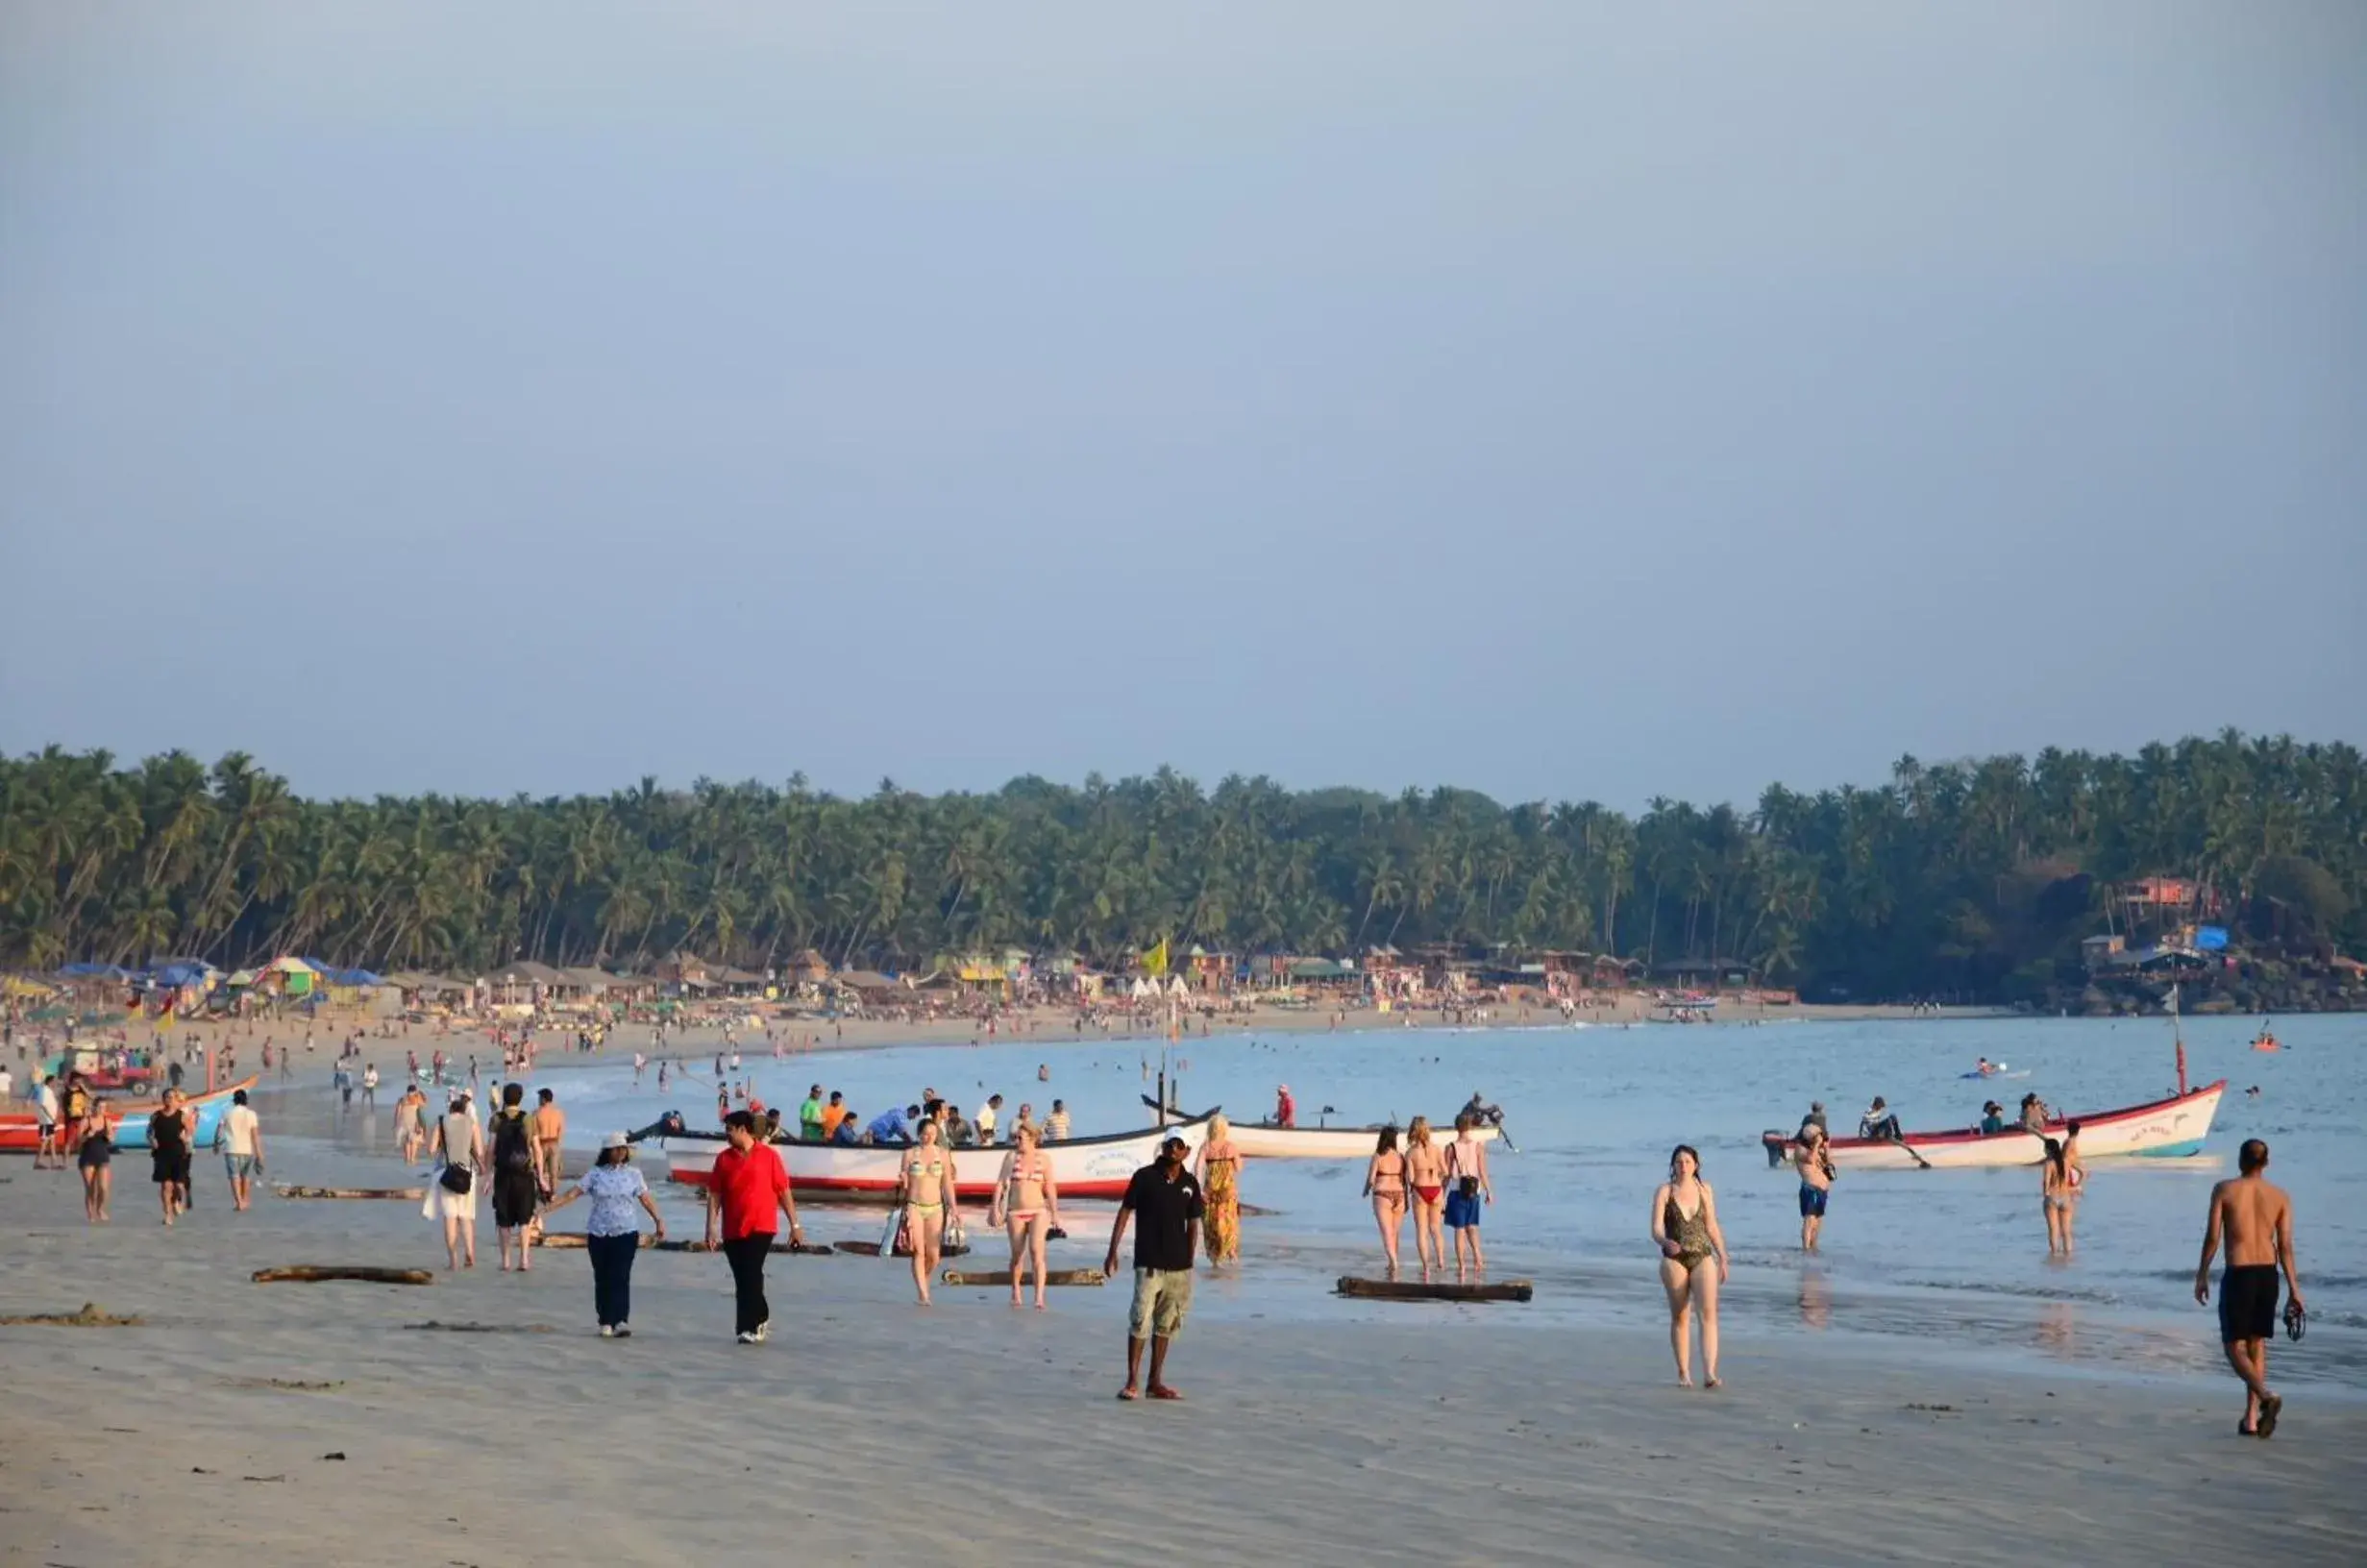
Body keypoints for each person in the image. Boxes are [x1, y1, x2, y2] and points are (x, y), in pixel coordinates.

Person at [2195, 1139, 2304, 1438]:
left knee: (2233, 1347)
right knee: (2257, 1342)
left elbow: (2213, 1238)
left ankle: (2266, 1397)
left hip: (2240, 1274)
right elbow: (2285, 1247)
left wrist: (2202, 1274)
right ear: (2266, 1163)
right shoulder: (2280, 1196)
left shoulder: (2224, 1190)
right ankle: (2251, 1418)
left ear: (2241, 1161)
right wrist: (2295, 1289)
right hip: (2269, 1275)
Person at [1104, 1134, 1204, 1401]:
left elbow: (1194, 1223)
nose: (1173, 1149)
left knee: (1166, 1324)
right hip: (1148, 1263)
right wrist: (1112, 1251)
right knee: (1140, 1320)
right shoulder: (1144, 1177)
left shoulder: (1190, 1183)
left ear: (1187, 1151)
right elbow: (1125, 1211)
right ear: (1163, 1148)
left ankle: (1155, 1382)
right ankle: (1132, 1381)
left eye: (1179, 1146)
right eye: (1169, 1144)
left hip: (1179, 1267)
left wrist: (1190, 1260)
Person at [544, 1132, 666, 1336]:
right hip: (598, 1233)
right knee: (602, 1277)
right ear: (608, 1152)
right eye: (616, 1148)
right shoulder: (595, 1174)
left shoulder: (634, 1174)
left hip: (626, 1232)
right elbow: (573, 1194)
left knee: (621, 1276)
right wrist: (548, 1209)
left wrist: (658, 1220)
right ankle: (605, 1320)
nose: (620, 1152)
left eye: (623, 1148)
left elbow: (645, 1198)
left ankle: (620, 1320)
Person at [703, 1109, 803, 1343]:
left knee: (750, 1271)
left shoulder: (769, 1156)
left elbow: (783, 1191)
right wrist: (711, 1226)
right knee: (743, 1277)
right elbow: (715, 1194)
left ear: (743, 1130)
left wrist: (795, 1225)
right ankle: (760, 1315)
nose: (726, 1135)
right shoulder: (724, 1159)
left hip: (762, 1225)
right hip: (733, 1228)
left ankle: (746, 1328)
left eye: (730, 1130)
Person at [1649, 1145, 1729, 1389]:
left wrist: (1723, 1256)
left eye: (1687, 1161)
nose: (1683, 1166)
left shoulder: (1705, 1190)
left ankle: (1710, 1374)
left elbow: (1712, 1225)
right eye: (1679, 1161)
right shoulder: (1664, 1191)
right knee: (1681, 1314)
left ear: (1695, 1165)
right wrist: (1664, 1241)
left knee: (1708, 1313)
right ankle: (1684, 1373)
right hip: (1674, 1258)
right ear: (1673, 1166)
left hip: (1702, 1255)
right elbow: (1656, 1229)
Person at [991, 1122, 1062, 1309]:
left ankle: (1039, 1297)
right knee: (1017, 1255)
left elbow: (1050, 1187)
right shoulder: (1011, 1157)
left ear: (1032, 1138)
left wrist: (1055, 1213)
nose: (1017, 1141)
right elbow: (1000, 1184)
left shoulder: (1044, 1158)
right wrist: (994, 1208)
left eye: (1020, 1138)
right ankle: (1016, 1290)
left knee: (1037, 1252)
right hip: (1016, 1211)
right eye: (1016, 1137)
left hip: (1038, 1210)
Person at [897, 1118, 957, 1305]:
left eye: (933, 1133)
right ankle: (923, 1294)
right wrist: (903, 1179)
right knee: (918, 1252)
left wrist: (954, 1207)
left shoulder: (943, 1154)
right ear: (919, 1133)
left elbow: (947, 1183)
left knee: (934, 1256)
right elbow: (904, 1184)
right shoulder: (909, 1154)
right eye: (925, 1133)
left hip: (936, 1208)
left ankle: (924, 1278)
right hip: (914, 1206)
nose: (929, 1136)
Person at [424, 1093, 484, 1270]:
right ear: (465, 1110)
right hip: (467, 1173)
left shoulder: (441, 1122)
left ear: (450, 1110)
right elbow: (479, 1150)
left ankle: (453, 1260)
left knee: (450, 1218)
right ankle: (470, 1253)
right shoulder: (472, 1123)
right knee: (466, 1217)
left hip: (446, 1172)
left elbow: (431, 1150)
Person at [488, 1084, 544, 1272]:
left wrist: (488, 1175)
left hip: (503, 1174)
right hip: (524, 1175)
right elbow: (537, 1149)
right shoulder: (529, 1119)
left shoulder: (496, 1118)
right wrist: (541, 1176)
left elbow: (491, 1149)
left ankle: (505, 1261)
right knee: (525, 1219)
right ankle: (524, 1259)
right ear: (520, 1098)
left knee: (503, 1218)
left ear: (504, 1098)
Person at [1443, 1114, 1492, 1279]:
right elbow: (1483, 1171)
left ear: (1456, 1127)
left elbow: (1447, 1174)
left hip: (1457, 1190)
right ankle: (1478, 1257)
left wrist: (1441, 1195)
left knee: (1459, 1229)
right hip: (1474, 1190)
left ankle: (1462, 1265)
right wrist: (1489, 1192)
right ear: (1470, 1127)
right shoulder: (1478, 1146)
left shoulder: (1451, 1147)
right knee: (1472, 1226)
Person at [1404, 1115, 1448, 1278]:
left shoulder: (1411, 1152)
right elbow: (1445, 1171)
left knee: (1421, 1230)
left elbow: (1410, 1178)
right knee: (1436, 1229)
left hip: (1420, 1191)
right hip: (1436, 1189)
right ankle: (1441, 1260)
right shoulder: (1437, 1149)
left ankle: (1426, 1267)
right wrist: (1436, 1176)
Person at [1195, 1114, 1241, 1264]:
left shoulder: (1206, 1147)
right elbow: (1239, 1168)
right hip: (1228, 1193)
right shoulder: (1231, 1147)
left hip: (1211, 1193)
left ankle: (1216, 1261)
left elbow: (1198, 1169)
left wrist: (1199, 1191)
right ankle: (1232, 1257)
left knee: (1211, 1226)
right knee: (1229, 1226)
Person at [1363, 1124, 1408, 1275]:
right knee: (1395, 1233)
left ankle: (1393, 1262)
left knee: (1386, 1233)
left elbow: (1370, 1179)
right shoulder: (1401, 1156)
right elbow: (1405, 1178)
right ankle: (1392, 1261)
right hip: (1399, 1194)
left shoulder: (1378, 1156)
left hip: (1382, 1194)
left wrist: (1365, 1191)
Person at [148, 1087, 194, 1225]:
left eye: (172, 1098)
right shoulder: (156, 1116)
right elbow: (149, 1132)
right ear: (163, 1100)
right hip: (162, 1154)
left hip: (179, 1153)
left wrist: (186, 1138)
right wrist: (152, 1141)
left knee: (179, 1186)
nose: (169, 1100)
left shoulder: (182, 1116)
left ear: (176, 1100)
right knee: (166, 1186)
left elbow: (190, 1131)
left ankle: (175, 1202)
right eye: (167, 1097)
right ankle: (168, 1214)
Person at [219, 1088, 264, 1210]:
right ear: (246, 1100)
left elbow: (219, 1130)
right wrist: (259, 1153)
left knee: (234, 1176)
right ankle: (245, 1199)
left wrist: (215, 1144)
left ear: (234, 1100)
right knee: (245, 1176)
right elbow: (255, 1135)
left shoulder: (227, 1112)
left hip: (231, 1149)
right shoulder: (251, 1114)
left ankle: (239, 1201)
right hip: (246, 1149)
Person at [1795, 1126, 1834, 1251]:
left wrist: (1826, 1147)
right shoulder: (1800, 1149)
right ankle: (1805, 1247)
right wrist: (1817, 1144)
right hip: (1811, 1189)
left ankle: (1814, 1245)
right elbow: (1811, 1160)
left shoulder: (1818, 1150)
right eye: (1817, 1136)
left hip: (1822, 1190)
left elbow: (1829, 1164)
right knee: (1810, 1219)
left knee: (1818, 1221)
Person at [77, 1100, 113, 1223]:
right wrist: (87, 1135)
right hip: (87, 1157)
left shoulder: (106, 1121)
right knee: (90, 1188)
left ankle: (100, 1209)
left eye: (104, 1107)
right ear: (94, 1107)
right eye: (100, 1107)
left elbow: (112, 1138)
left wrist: (110, 1137)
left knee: (103, 1188)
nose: (102, 1109)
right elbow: (79, 1140)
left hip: (102, 1157)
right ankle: (90, 1213)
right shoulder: (85, 1121)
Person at [2040, 1137, 2076, 1256]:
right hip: (2066, 1197)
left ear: (2049, 1150)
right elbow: (2077, 1173)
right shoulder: (2066, 1162)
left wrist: (2045, 1193)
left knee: (2053, 1230)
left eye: (2045, 1149)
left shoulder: (2049, 1164)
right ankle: (2069, 1256)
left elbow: (2046, 1181)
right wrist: (2077, 1186)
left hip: (2053, 1197)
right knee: (2066, 1231)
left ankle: (2054, 1256)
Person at [532, 1087, 567, 1196]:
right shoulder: (559, 1113)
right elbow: (561, 1130)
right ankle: (553, 1193)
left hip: (541, 1143)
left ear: (543, 1099)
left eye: (539, 1098)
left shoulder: (536, 1113)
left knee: (539, 1169)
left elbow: (534, 1132)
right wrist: (558, 1145)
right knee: (554, 1171)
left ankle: (542, 1190)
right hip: (554, 1142)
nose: (538, 1100)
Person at [34, 1074, 62, 1170]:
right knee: (44, 1141)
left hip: (50, 1121)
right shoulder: (45, 1091)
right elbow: (44, 1106)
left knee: (52, 1141)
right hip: (46, 1120)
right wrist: (52, 1118)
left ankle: (54, 1163)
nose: (56, 1083)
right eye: (55, 1081)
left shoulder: (49, 1091)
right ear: (50, 1082)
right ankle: (38, 1162)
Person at [394, 1083, 428, 1164]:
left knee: (407, 1141)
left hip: (403, 1122)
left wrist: (396, 1123)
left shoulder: (402, 1099)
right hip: (414, 1123)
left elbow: (397, 1112)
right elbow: (424, 1104)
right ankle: (412, 1158)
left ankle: (407, 1158)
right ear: (415, 1091)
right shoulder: (416, 1098)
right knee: (414, 1141)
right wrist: (422, 1093)